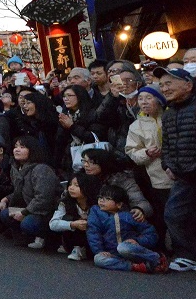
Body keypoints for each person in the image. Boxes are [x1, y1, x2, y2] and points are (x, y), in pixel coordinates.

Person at [154, 67, 196, 272]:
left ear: (188, 85)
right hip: (182, 175)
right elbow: (167, 144)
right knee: (174, 214)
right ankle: (188, 254)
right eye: (162, 85)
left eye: (169, 83)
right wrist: (166, 164)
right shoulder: (168, 114)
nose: (164, 88)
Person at [125, 85, 172, 248]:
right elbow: (131, 151)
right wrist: (147, 153)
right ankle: (167, 247)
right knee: (163, 213)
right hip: (156, 176)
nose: (143, 102)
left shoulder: (171, 117)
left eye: (148, 98)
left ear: (159, 100)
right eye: (140, 99)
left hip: (180, 172)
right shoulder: (136, 125)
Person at [0, 135, 61, 249]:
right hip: (30, 209)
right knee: (5, 213)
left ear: (32, 150)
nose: (17, 150)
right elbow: (21, 191)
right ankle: (25, 237)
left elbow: (44, 199)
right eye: (16, 146)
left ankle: (49, 239)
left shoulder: (42, 169)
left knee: (28, 223)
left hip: (46, 212)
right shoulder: (17, 168)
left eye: (22, 147)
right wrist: (6, 198)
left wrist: (25, 212)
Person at [87, 184, 166, 273]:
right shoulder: (96, 213)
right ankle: (136, 266)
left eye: (107, 199)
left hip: (130, 250)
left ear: (119, 204)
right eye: (100, 197)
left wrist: (138, 241)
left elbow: (151, 233)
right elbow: (93, 233)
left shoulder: (129, 215)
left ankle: (158, 259)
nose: (101, 200)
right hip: (112, 254)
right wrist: (99, 250)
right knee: (98, 259)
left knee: (123, 247)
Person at [79, 148, 152, 221]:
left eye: (91, 162)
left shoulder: (122, 180)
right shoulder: (81, 180)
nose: (85, 165)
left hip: (119, 221)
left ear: (103, 163)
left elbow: (141, 203)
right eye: (84, 161)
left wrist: (139, 210)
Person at [49, 173, 98, 260]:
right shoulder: (65, 203)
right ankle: (77, 248)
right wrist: (72, 224)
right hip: (73, 237)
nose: (71, 188)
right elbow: (53, 224)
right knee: (69, 220)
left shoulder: (97, 204)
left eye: (76, 185)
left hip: (94, 236)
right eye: (70, 184)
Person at [14, 91, 62, 173]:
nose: (25, 106)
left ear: (38, 104)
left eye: (28, 103)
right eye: (24, 103)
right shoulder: (30, 123)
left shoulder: (53, 123)